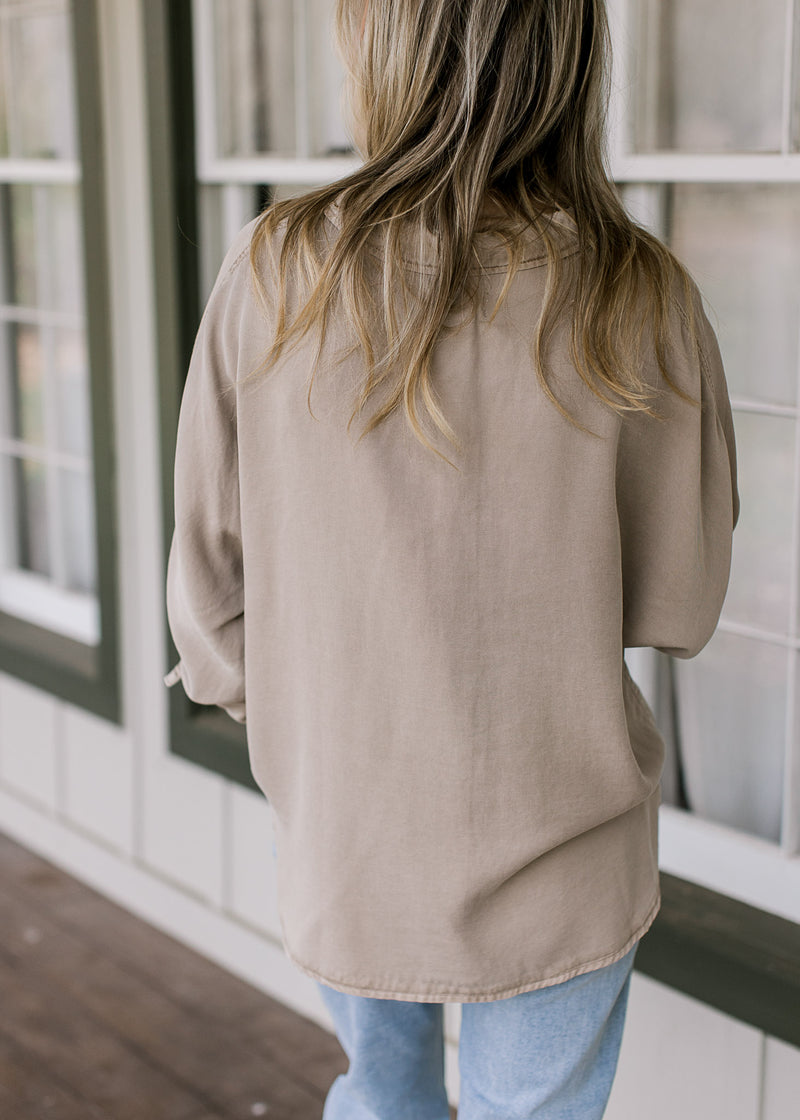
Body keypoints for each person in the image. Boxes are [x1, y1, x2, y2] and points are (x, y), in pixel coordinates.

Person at [162, 0, 740, 1116]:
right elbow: (682, 596)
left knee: (381, 1098)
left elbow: (207, 594)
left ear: (381, 48)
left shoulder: (280, 271)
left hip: (349, 822)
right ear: (569, 55)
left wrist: (322, 722)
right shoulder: (639, 290)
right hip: (561, 832)